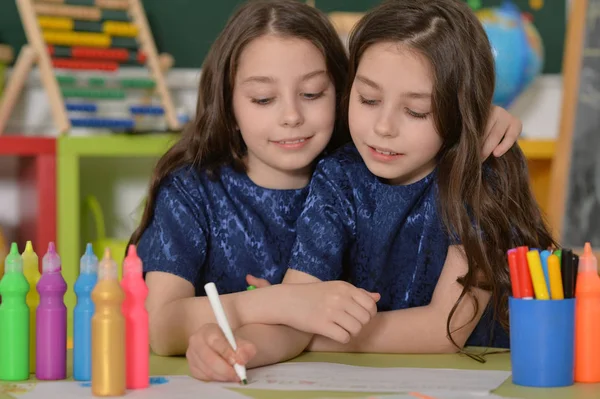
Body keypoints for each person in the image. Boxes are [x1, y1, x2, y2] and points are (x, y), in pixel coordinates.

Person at [131, 0, 525, 381]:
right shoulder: (338, 176)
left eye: (312, 94)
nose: (290, 116)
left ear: (337, 91)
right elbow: (296, 308)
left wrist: (474, 121)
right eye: (369, 99)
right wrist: (241, 344)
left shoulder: (464, 174)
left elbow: (445, 329)